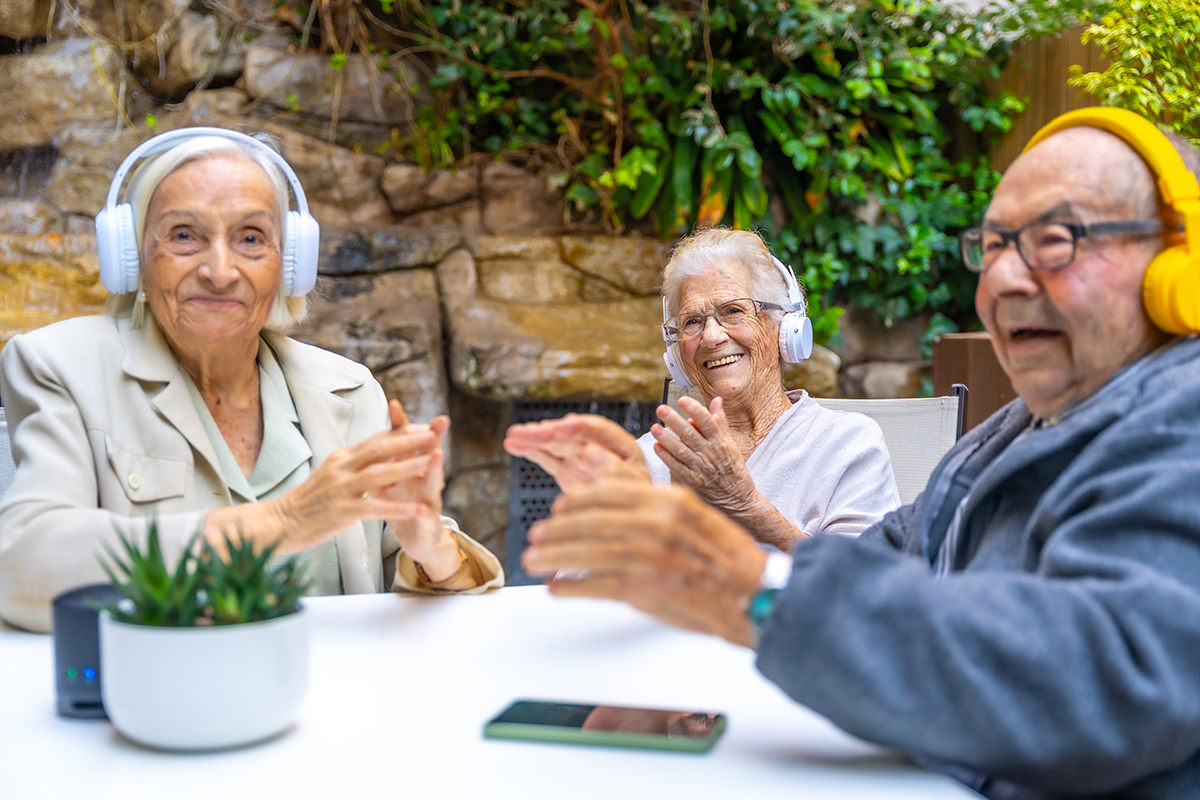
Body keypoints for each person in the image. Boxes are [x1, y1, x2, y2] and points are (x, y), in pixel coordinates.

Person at [521, 107, 1200, 798]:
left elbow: (1103, 690)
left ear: (1178, 268)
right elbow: (887, 561)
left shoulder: (1184, 427)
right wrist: (662, 547)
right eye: (993, 247)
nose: (1000, 282)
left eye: (1054, 241)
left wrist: (746, 584)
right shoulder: (1017, 431)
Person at [0, 127, 501, 633]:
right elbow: (23, 566)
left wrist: (432, 550)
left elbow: (430, 608)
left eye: (251, 239)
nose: (220, 271)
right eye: (184, 236)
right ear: (129, 259)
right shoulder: (59, 365)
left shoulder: (347, 390)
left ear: (290, 265)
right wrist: (284, 523)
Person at [505, 228, 899, 551]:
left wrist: (746, 506)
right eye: (692, 321)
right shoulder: (648, 459)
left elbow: (867, 593)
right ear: (677, 354)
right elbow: (575, 591)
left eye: (733, 311)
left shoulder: (848, 445)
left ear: (785, 327)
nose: (711, 336)